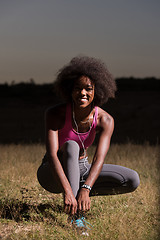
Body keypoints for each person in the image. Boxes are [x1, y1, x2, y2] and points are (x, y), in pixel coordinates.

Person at [37, 56, 140, 235]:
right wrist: (68, 191)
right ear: (69, 90)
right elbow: (52, 155)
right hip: (52, 172)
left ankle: (80, 196)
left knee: (132, 179)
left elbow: (99, 158)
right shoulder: (55, 113)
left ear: (97, 91)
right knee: (71, 145)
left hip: (82, 167)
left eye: (88, 89)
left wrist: (86, 188)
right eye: (78, 88)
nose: (83, 93)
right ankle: (77, 218)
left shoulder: (105, 120)